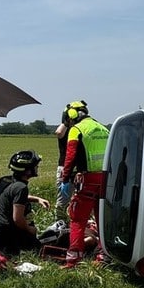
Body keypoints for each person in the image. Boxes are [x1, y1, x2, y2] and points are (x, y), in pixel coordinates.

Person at [59, 100, 109, 268]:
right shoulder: (103, 128)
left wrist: (65, 179)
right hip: (105, 179)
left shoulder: (76, 129)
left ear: (72, 115)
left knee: (77, 219)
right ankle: (103, 255)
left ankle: (73, 259)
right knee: (101, 219)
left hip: (86, 181)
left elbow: (70, 155)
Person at [0, 151, 50, 255]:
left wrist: (37, 199)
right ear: (28, 171)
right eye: (36, 166)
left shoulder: (5, 180)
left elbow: (11, 198)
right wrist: (30, 229)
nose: (37, 167)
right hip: (5, 232)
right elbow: (18, 219)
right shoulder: (21, 187)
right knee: (37, 246)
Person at [53, 106, 74, 220]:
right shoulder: (65, 129)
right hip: (64, 167)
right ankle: (60, 221)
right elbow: (59, 133)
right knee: (62, 198)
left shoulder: (78, 129)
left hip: (77, 168)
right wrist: (66, 122)